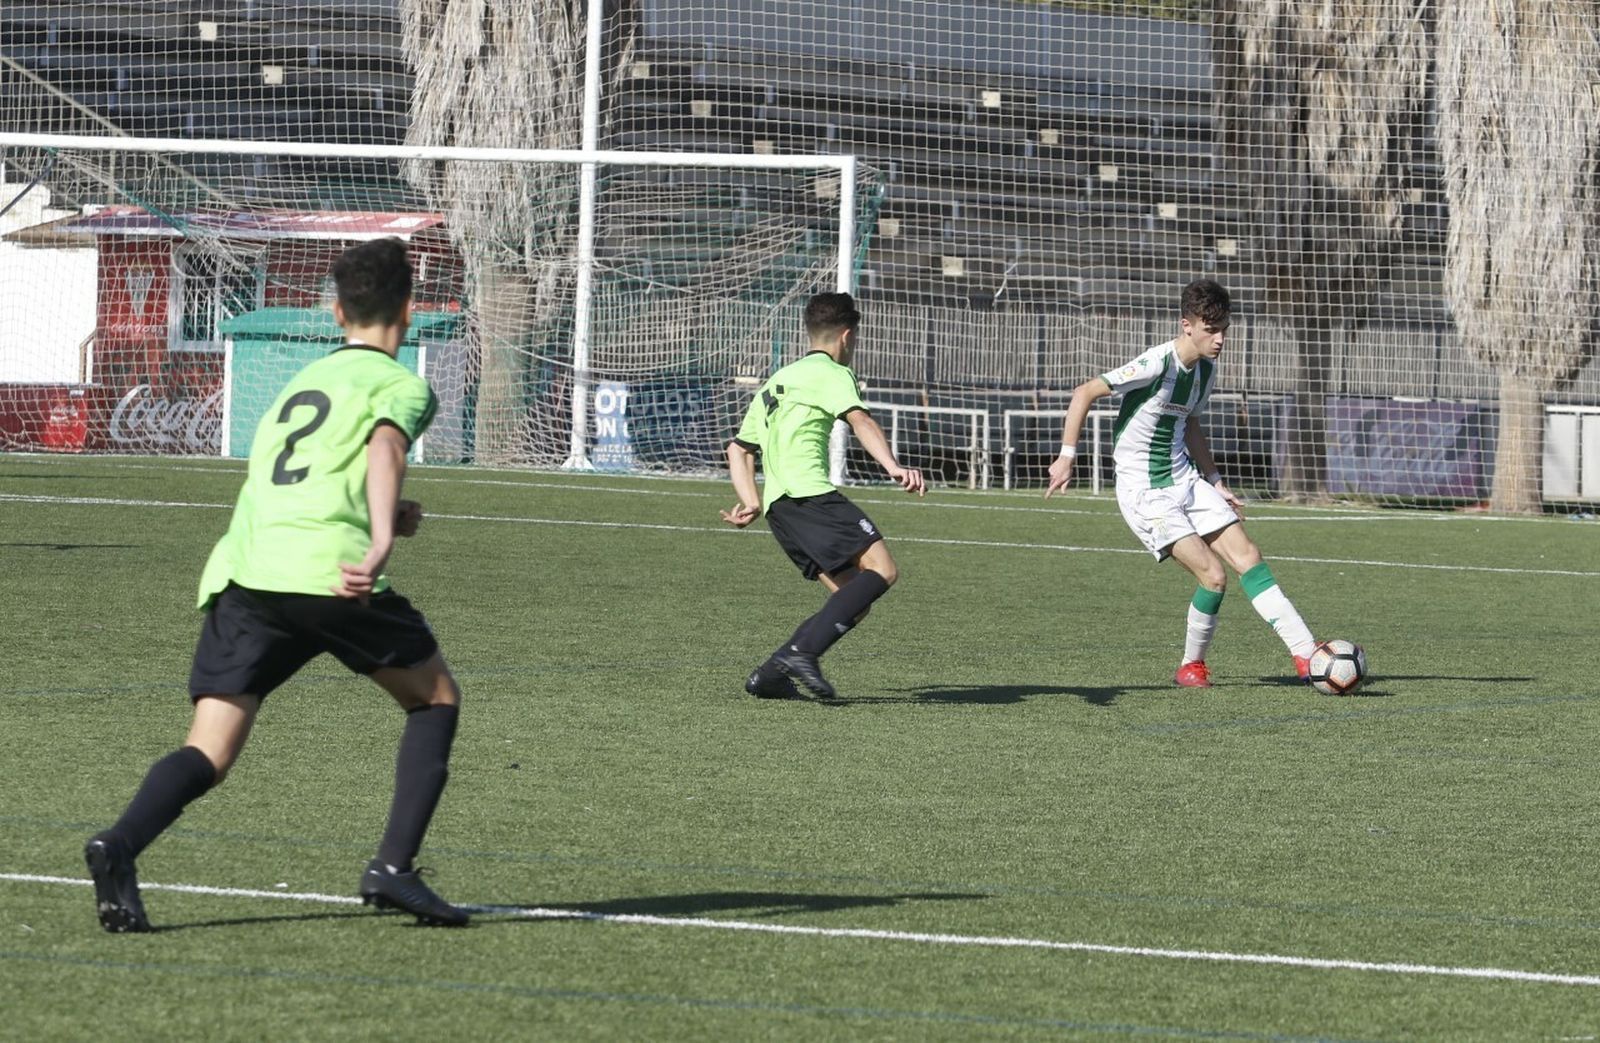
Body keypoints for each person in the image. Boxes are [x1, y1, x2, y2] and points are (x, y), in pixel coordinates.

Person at [84, 237, 469, 931]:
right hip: (329, 573)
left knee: (211, 747)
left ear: (334, 311)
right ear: (410, 311)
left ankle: (120, 842)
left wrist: (387, 510)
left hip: (249, 571)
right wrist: (379, 536)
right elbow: (384, 446)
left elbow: (303, 473)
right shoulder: (403, 385)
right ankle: (392, 868)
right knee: (434, 697)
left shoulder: (302, 381)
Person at [1044, 278, 1316, 688]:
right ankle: (1192, 666)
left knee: (1249, 556)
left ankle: (1307, 653)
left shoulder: (1206, 371)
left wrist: (1215, 480)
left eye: (1224, 328)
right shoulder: (1157, 363)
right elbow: (1084, 392)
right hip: (1145, 492)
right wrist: (1066, 458)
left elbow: (1190, 423)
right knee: (1214, 576)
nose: (1220, 338)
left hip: (1186, 479)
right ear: (1186, 325)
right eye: (1211, 329)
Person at [722, 291, 925, 701]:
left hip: (782, 508)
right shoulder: (831, 373)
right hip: (810, 494)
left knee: (853, 602)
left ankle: (772, 675)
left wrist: (753, 501)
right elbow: (860, 420)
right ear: (847, 337)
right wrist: (893, 466)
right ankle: (802, 652)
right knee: (882, 569)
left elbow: (738, 448)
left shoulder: (779, 379)